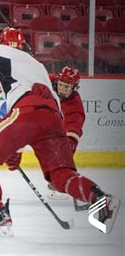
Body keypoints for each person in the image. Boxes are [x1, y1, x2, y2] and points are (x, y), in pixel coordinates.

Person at [0, 27, 120, 237]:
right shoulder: (37, 65)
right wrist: (17, 147)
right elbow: (44, 113)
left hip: (26, 112)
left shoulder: (1, 52)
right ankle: (99, 199)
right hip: (52, 119)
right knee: (59, 176)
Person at [47, 66, 86, 201]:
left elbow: (74, 127)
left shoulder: (74, 105)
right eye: (61, 85)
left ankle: (64, 182)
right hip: (38, 117)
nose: (63, 89)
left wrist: (68, 147)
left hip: (56, 129)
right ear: (57, 81)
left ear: (74, 88)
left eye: (67, 87)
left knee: (63, 152)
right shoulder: (47, 80)